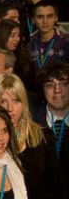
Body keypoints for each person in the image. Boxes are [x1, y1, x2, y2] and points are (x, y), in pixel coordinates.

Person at [0, 73, 61, 199]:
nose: (9, 108)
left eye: (16, 100)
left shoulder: (43, 137)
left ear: (24, 103)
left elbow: (53, 186)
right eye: (2, 101)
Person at [32, 61, 69, 191]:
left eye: (64, 84)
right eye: (50, 85)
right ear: (42, 89)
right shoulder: (30, 123)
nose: (57, 90)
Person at [26, 0, 69, 72]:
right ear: (33, 19)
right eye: (40, 17)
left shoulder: (66, 42)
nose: (45, 21)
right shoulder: (29, 45)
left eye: (49, 16)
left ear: (56, 18)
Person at [0, 19, 35, 89]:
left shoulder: (24, 58)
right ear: (3, 36)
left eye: (18, 35)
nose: (17, 39)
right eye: (13, 36)